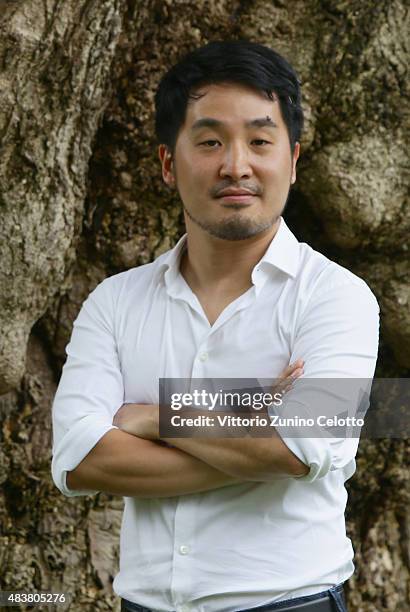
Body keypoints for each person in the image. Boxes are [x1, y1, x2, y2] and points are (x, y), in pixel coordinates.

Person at [51, 40, 379, 612]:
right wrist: (257, 420)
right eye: (209, 142)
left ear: (293, 160)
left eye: (259, 140)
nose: (236, 165)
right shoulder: (114, 302)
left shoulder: (338, 298)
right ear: (166, 163)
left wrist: (155, 417)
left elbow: (301, 450)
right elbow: (80, 460)